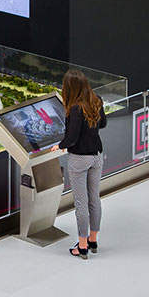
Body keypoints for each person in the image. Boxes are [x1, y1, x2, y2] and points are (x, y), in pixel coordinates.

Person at [51, 69, 107, 260]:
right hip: (97, 155)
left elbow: (71, 139)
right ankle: (93, 240)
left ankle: (81, 246)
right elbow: (104, 123)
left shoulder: (75, 108)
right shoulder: (96, 100)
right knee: (94, 199)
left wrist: (59, 145)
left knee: (81, 203)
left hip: (79, 159)